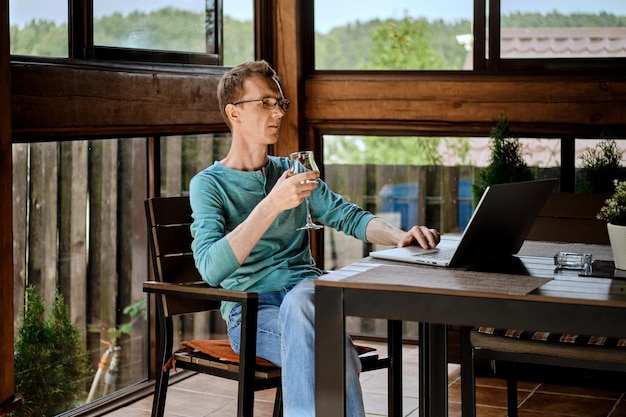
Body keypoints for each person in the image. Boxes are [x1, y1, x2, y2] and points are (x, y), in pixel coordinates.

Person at [189, 60, 440, 417]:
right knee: (333, 349)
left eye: (280, 103)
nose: (277, 111)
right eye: (265, 102)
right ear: (234, 113)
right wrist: (271, 204)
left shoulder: (292, 171)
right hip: (251, 313)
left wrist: (402, 236)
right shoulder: (208, 185)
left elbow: (347, 215)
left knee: (305, 299)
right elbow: (212, 269)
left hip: (307, 295)